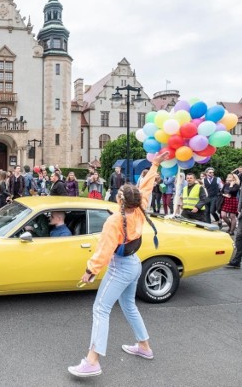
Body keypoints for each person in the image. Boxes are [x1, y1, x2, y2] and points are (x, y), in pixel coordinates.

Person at [68, 152, 167, 378]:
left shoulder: (114, 220)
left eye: (120, 193)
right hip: (134, 265)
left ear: (121, 200)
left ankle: (92, 361)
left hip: (121, 267)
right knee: (129, 307)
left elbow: (104, 249)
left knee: (100, 309)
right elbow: (147, 188)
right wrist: (155, 165)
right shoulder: (140, 207)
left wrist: (90, 271)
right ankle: (144, 346)